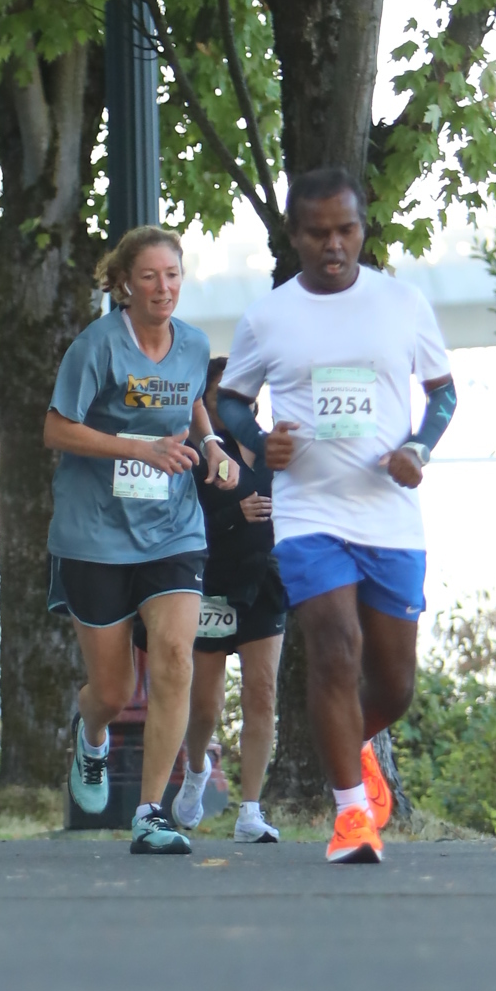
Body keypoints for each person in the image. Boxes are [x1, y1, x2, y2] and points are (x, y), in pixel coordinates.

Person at [216, 168, 457, 867]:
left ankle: (353, 745)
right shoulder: (269, 316)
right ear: (294, 236)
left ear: (361, 230)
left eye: (346, 230)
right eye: (318, 233)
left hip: (389, 514)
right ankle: (352, 815)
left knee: (394, 685)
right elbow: (232, 401)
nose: (333, 245)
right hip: (308, 512)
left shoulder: (402, 303)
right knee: (333, 646)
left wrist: (418, 447)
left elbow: (443, 394)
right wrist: (261, 440)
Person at [43, 225, 238, 857]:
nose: (163, 288)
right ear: (125, 283)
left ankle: (151, 812)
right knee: (113, 691)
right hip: (95, 532)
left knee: (175, 657)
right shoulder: (96, 346)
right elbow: (55, 429)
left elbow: (190, 401)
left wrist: (211, 444)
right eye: (149, 276)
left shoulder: (194, 343)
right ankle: (91, 733)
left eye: (172, 275)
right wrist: (136, 449)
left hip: (172, 528)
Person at [170, 360, 286, 843]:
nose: (233, 401)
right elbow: (182, 527)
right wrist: (236, 513)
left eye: (241, 393)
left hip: (266, 583)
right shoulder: (199, 454)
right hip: (213, 584)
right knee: (206, 705)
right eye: (220, 394)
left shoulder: (274, 448)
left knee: (262, 693)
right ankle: (197, 769)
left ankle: (250, 812)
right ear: (205, 401)